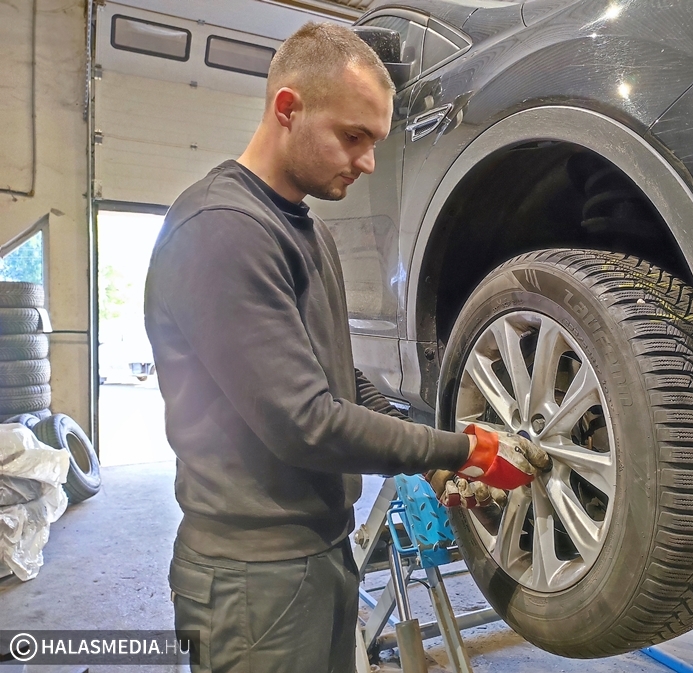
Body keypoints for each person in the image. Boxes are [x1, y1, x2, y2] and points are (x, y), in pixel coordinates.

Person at [144, 22, 549, 673]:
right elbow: (307, 423)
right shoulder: (223, 233)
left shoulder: (309, 232)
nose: (366, 162)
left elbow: (341, 384)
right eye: (352, 137)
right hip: (253, 578)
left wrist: (437, 457)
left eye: (375, 143)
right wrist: (464, 446)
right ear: (287, 109)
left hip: (322, 552)